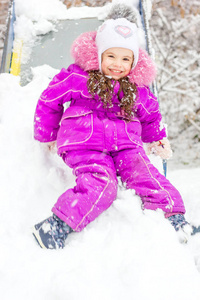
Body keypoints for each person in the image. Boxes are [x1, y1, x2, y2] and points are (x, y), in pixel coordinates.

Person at [33, 16, 191, 250]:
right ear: (99, 55)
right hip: (85, 143)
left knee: (146, 173)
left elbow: (151, 115)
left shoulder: (139, 90)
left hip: (126, 146)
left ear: (134, 62)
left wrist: (156, 138)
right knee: (102, 183)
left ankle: (175, 219)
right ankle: (56, 225)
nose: (118, 64)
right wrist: (47, 133)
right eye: (111, 56)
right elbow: (50, 98)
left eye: (125, 58)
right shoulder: (79, 77)